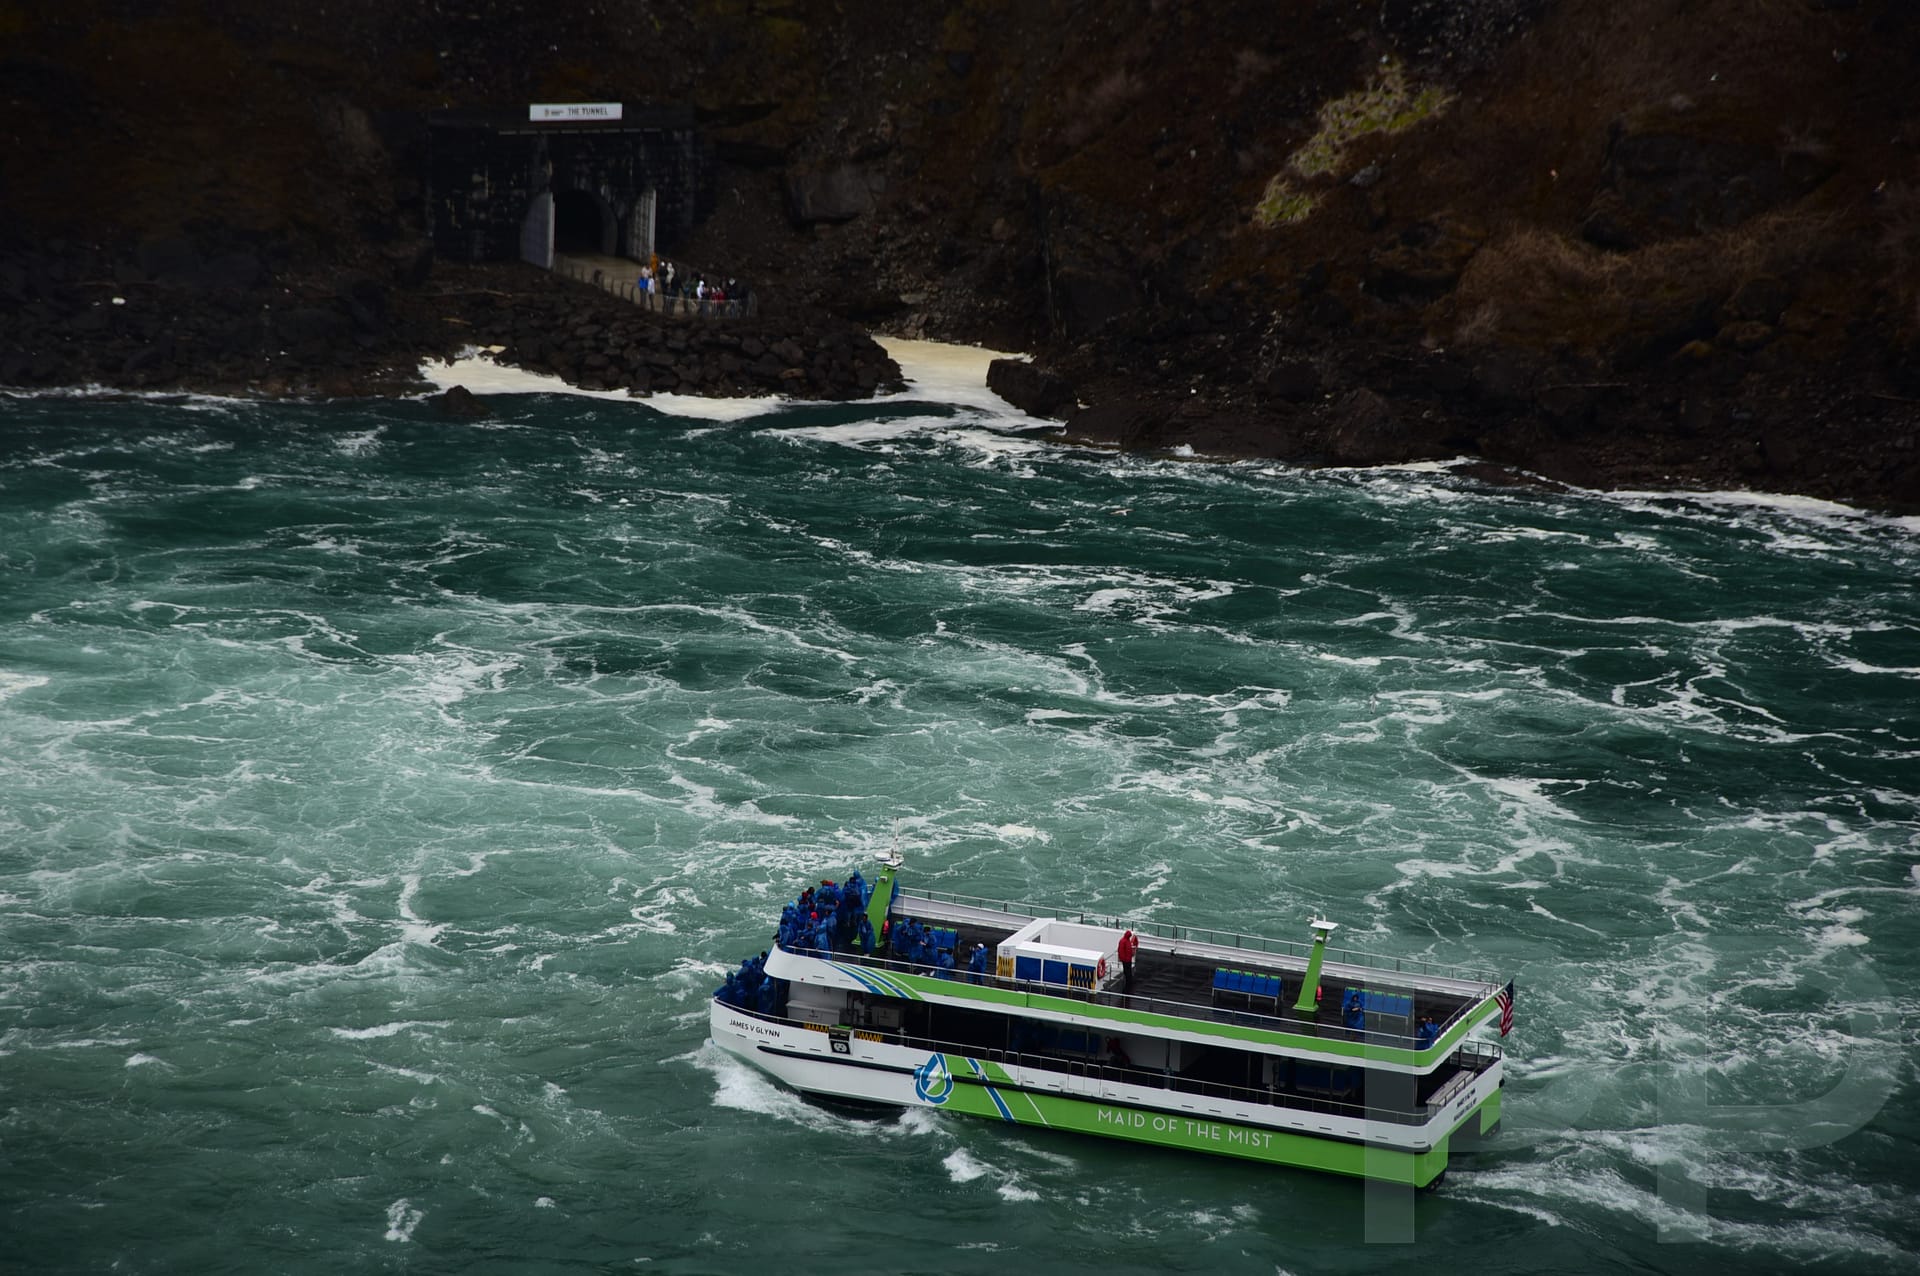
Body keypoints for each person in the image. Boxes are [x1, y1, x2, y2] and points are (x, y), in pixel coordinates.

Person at [1116, 928, 1139, 993]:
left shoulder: (1126, 940)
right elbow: (1121, 951)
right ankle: (1128, 981)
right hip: (1126, 959)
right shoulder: (1124, 941)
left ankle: (1129, 980)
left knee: (1128, 970)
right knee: (1127, 970)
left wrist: (1131, 954)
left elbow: (1126, 949)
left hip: (1128, 958)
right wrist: (1123, 958)